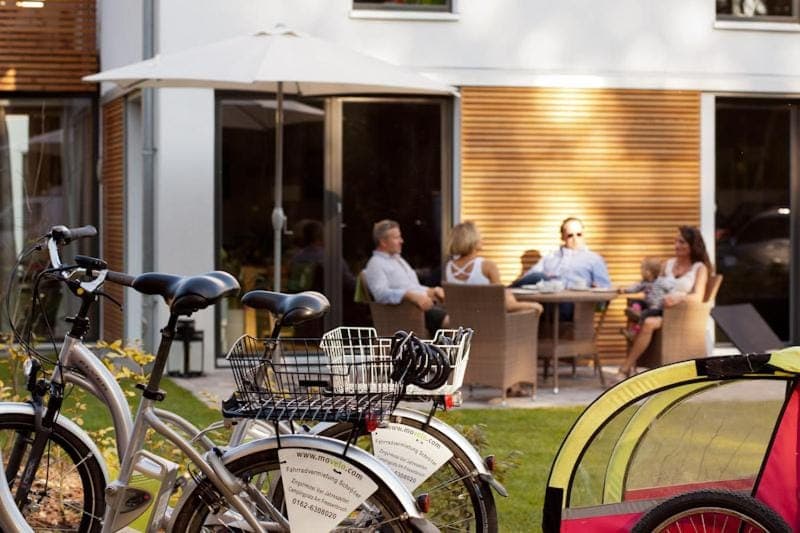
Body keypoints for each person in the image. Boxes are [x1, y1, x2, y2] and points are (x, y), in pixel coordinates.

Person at [614, 226, 712, 383]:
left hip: (680, 316)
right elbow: (653, 284)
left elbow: (698, 297)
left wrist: (679, 299)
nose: (677, 245)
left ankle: (624, 369)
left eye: (682, 242)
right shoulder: (668, 264)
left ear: (693, 245)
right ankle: (631, 363)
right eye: (676, 241)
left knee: (648, 322)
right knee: (643, 317)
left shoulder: (699, 268)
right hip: (660, 309)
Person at [363, 219, 447, 333]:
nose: (401, 241)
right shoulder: (375, 264)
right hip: (408, 314)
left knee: (458, 313)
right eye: (396, 237)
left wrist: (432, 291)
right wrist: (409, 295)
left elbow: (413, 287)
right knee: (456, 322)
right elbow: (381, 294)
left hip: (421, 309)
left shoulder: (399, 260)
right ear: (383, 242)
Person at [445, 221, 542, 314]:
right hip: (489, 325)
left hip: (461, 325)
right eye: (479, 235)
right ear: (472, 239)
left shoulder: (449, 267)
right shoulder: (487, 266)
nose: (482, 239)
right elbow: (504, 304)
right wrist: (532, 305)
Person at [513, 217, 611, 290]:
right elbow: (530, 277)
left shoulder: (594, 259)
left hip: (575, 305)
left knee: (540, 277)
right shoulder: (550, 257)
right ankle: (505, 294)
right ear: (562, 237)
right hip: (547, 302)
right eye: (570, 235)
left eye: (579, 234)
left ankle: (505, 293)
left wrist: (596, 289)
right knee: (538, 277)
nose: (575, 239)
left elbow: (604, 287)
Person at [619, 257, 672, 341]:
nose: (640, 271)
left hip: (657, 308)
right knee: (635, 301)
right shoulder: (644, 282)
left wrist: (671, 297)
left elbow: (671, 289)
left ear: (648, 272)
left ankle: (633, 333)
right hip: (648, 304)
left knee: (644, 314)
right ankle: (635, 310)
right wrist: (624, 290)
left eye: (641, 269)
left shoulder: (661, 282)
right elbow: (635, 288)